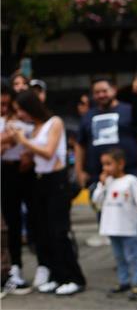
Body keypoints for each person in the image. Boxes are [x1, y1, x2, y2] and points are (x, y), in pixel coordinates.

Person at [9, 91, 86, 295]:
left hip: (56, 180)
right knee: (44, 232)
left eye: (21, 110)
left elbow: (49, 152)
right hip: (39, 180)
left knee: (60, 231)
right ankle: (57, 275)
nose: (19, 114)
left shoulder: (55, 122)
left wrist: (23, 142)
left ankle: (74, 277)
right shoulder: (35, 128)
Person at [91, 148, 137, 300]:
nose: (105, 168)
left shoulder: (131, 181)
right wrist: (101, 185)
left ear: (120, 164)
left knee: (132, 256)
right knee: (119, 257)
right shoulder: (107, 182)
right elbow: (96, 200)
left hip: (127, 227)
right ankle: (124, 281)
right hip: (111, 226)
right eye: (103, 164)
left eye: (108, 164)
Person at [76, 78, 137, 188]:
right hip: (97, 178)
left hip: (131, 173)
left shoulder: (129, 110)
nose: (101, 95)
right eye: (97, 92)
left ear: (114, 90)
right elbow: (80, 145)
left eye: (104, 91)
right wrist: (79, 172)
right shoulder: (87, 116)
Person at [0, 87, 35, 295]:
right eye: (0, 104)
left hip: (20, 172)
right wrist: (8, 139)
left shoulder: (21, 121)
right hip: (4, 172)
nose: (3, 108)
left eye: (7, 104)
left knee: (15, 224)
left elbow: (27, 140)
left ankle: (15, 269)